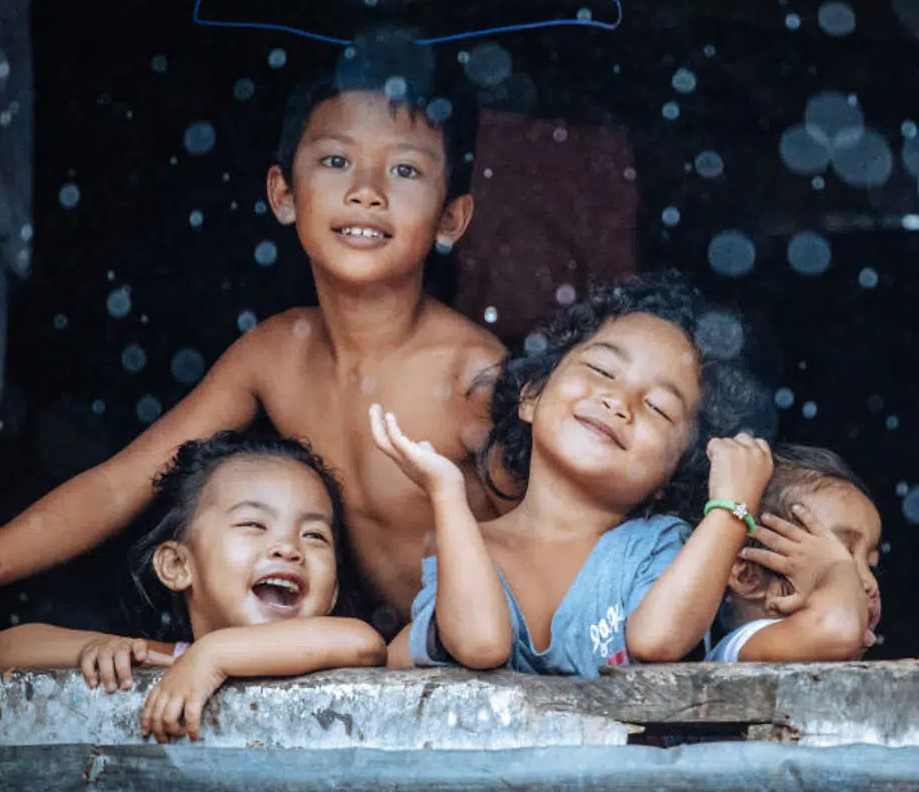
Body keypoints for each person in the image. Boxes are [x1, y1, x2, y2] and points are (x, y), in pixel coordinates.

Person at [0, 29, 506, 631]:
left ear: (451, 218)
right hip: (367, 662)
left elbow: (562, 542)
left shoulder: (474, 375)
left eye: (406, 169)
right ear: (283, 193)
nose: (366, 192)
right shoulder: (276, 355)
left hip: (487, 662)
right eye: (336, 161)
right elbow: (122, 483)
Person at [373, 272, 773, 676]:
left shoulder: (659, 547)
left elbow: (658, 639)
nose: (619, 401)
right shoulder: (463, 544)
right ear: (530, 397)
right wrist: (446, 494)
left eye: (658, 407)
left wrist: (730, 510)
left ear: (673, 472)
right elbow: (480, 643)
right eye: (601, 369)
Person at [0, 433, 386, 742]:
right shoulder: (171, 662)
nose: (288, 548)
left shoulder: (329, 648)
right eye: (253, 524)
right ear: (177, 565)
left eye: (315, 535)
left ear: (331, 595)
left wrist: (214, 655)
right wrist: (98, 649)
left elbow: (364, 642)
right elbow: (1, 649)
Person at [708, 444, 882, 662]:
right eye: (839, 555)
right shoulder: (738, 646)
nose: (869, 583)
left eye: (871, 565)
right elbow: (837, 629)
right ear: (748, 574)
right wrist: (835, 570)